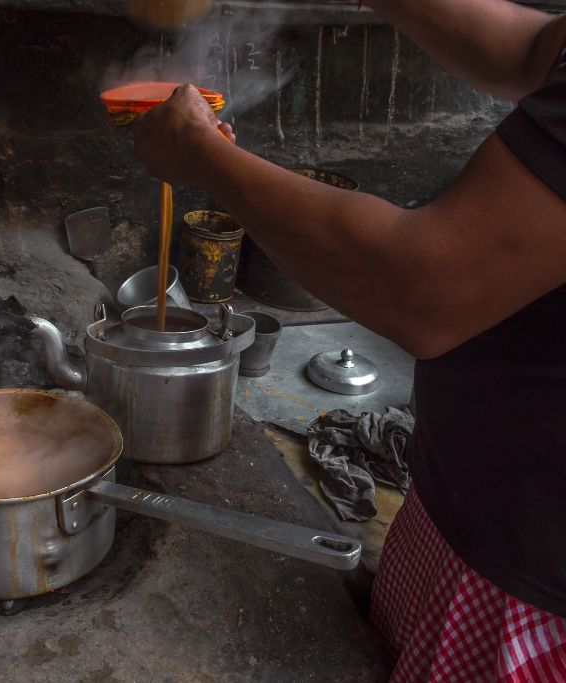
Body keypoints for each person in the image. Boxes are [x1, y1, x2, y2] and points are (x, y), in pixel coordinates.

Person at [132, 0, 566, 680]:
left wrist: (199, 154)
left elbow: (422, 287)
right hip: (469, 508)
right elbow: (539, 48)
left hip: (535, 583)